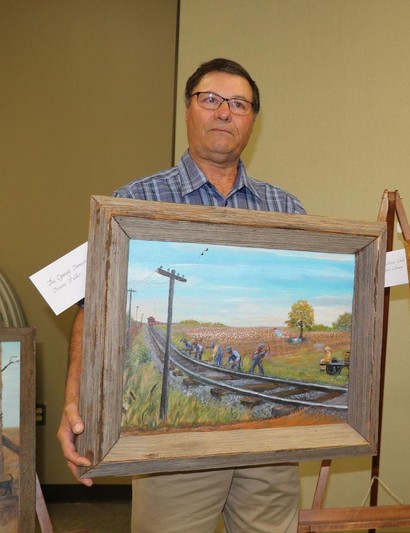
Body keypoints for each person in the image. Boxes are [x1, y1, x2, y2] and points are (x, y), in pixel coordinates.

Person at [57, 58, 304, 533]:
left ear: (253, 119)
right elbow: (91, 309)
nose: (224, 112)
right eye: (210, 99)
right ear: (188, 109)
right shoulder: (134, 201)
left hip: (270, 443)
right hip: (170, 448)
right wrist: (75, 398)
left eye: (239, 104)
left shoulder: (287, 208)